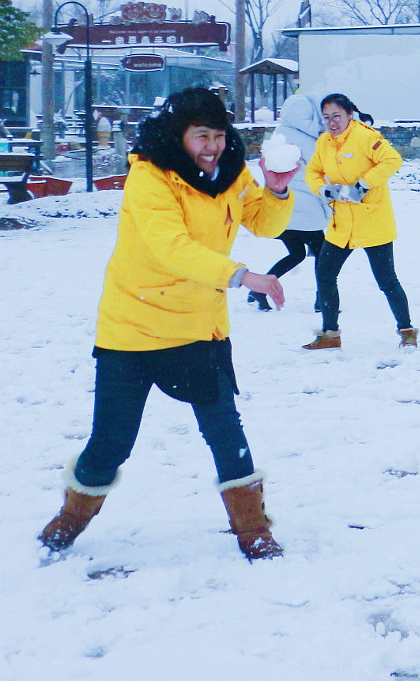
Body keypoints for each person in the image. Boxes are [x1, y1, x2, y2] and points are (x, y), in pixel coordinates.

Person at [38, 88, 295, 560]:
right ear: (179, 136)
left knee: (224, 429)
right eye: (202, 136)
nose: (213, 146)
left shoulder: (231, 172)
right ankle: (70, 518)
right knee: (112, 442)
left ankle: (253, 528)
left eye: (219, 135)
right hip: (132, 327)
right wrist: (241, 276)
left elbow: (264, 221)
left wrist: (277, 188)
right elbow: (170, 247)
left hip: (199, 327)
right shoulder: (151, 177)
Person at [303, 93, 416, 349]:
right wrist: (323, 189)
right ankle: (330, 334)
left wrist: (362, 185)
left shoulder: (365, 136)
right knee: (325, 274)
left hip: (372, 222)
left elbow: (392, 160)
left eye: (337, 116)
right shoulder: (324, 143)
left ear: (349, 115)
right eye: (327, 118)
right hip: (341, 224)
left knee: (386, 281)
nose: (332, 123)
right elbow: (313, 171)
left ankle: (407, 331)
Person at [254, 93, 329, 311]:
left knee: (297, 253)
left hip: (283, 207)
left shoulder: (279, 134)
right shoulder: (310, 140)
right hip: (305, 210)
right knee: (321, 253)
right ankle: (322, 299)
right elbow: (320, 170)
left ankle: (260, 288)